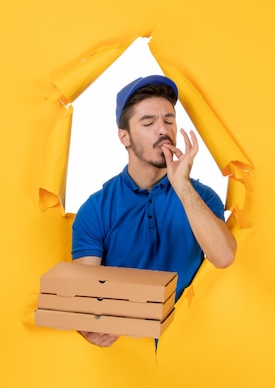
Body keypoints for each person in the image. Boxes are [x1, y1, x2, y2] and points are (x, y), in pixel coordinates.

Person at [71, 75, 237, 347]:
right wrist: (89, 326)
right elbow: (83, 296)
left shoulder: (201, 197)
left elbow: (224, 256)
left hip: (193, 347)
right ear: (124, 136)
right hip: (127, 356)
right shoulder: (96, 209)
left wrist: (182, 185)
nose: (163, 130)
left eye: (169, 121)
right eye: (148, 122)